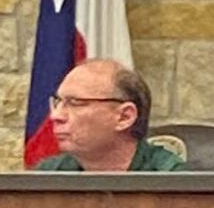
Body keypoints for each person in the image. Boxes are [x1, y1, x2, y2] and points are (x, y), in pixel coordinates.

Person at [36, 58, 185, 172]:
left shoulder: (172, 181)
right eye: (58, 102)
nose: (55, 116)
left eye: (75, 102)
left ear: (124, 117)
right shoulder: (49, 173)